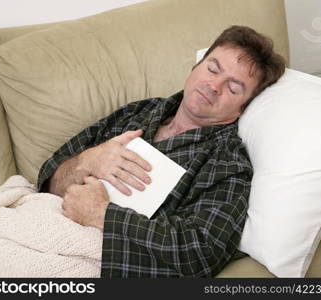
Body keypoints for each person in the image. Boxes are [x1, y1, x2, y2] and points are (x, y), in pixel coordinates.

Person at [37, 25, 286, 278]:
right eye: (212, 69)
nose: (214, 86)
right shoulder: (138, 112)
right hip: (40, 224)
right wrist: (86, 161)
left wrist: (102, 214)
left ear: (241, 110)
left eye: (233, 88)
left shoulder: (228, 166)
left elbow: (201, 253)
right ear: (195, 67)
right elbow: (47, 177)